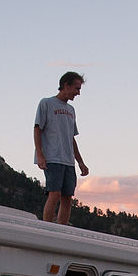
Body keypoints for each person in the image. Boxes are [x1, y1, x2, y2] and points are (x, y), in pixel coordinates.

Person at [33, 71, 89, 225]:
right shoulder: (46, 103)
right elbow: (37, 128)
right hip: (52, 156)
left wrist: (80, 162)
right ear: (66, 85)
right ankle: (47, 228)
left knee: (67, 197)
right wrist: (40, 154)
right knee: (54, 193)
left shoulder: (71, 111)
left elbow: (71, 137)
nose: (78, 93)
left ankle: (62, 230)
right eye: (76, 88)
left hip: (68, 159)